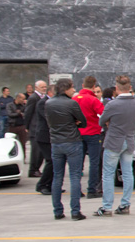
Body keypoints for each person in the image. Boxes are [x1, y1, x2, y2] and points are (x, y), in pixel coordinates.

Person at [93, 75, 135, 217]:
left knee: (108, 174)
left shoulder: (112, 105)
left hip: (114, 140)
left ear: (117, 88)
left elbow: (101, 121)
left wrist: (110, 122)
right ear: (130, 87)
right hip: (129, 139)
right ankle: (125, 204)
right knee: (127, 173)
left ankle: (107, 206)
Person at [45, 78, 87, 221]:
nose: (74, 90)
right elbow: (83, 122)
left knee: (57, 177)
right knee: (75, 176)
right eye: (72, 87)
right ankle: (75, 211)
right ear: (66, 88)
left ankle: (57, 211)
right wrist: (74, 123)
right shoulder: (72, 103)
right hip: (72, 141)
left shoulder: (49, 103)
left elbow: (49, 122)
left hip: (56, 142)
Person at [73, 76, 104, 199]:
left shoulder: (74, 99)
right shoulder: (93, 100)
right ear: (93, 86)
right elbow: (103, 114)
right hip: (93, 133)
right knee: (94, 162)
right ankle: (92, 189)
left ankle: (77, 190)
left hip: (77, 134)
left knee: (77, 164)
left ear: (82, 85)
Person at [33, 86, 55, 195]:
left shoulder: (51, 102)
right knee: (51, 160)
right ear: (50, 93)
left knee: (53, 161)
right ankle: (42, 185)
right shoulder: (43, 103)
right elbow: (48, 117)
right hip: (44, 136)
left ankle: (50, 185)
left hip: (51, 136)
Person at [26, 80, 48, 178]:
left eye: (45, 87)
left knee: (40, 152)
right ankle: (33, 169)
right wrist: (27, 126)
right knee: (35, 151)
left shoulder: (42, 97)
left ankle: (37, 169)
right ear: (36, 87)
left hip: (39, 128)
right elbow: (28, 113)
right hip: (34, 128)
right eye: (42, 87)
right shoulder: (33, 98)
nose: (44, 88)